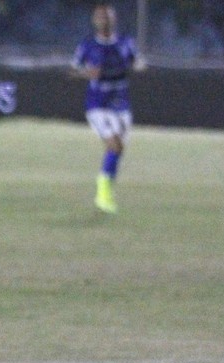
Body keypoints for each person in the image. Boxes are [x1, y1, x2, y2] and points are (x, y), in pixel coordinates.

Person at [71, 2, 146, 214]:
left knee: (119, 148)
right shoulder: (87, 46)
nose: (105, 20)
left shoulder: (125, 43)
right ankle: (103, 191)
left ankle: (106, 186)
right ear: (95, 21)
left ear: (114, 19)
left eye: (108, 16)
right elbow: (72, 70)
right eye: (101, 17)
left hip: (121, 105)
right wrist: (88, 73)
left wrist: (138, 66)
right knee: (113, 144)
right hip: (98, 105)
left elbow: (138, 62)